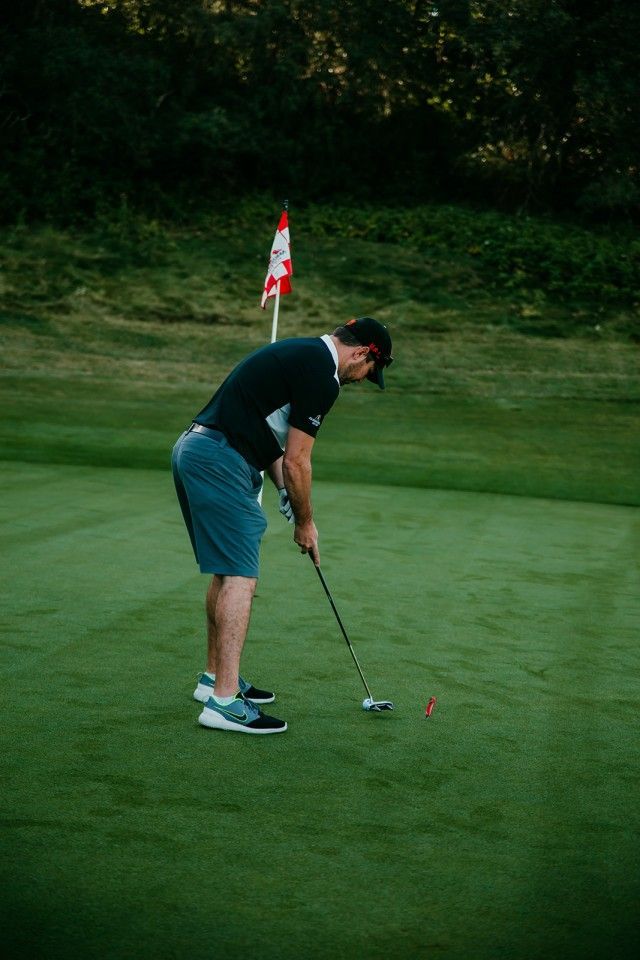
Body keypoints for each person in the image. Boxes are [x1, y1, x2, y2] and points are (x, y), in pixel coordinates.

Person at [171, 316, 393, 734]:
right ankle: (223, 702)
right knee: (240, 576)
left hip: (196, 448)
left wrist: (284, 493)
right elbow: (297, 460)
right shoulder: (322, 375)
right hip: (220, 460)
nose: (363, 379)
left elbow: (264, 436)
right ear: (362, 352)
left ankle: (213, 679)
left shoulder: (300, 352)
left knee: (226, 570)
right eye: (369, 371)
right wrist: (305, 522)